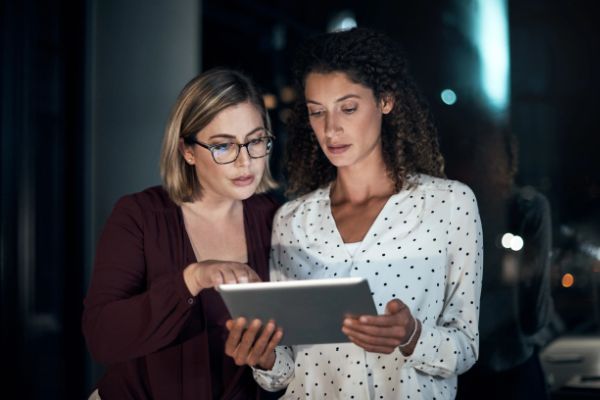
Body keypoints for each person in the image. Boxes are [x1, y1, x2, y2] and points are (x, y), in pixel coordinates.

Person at [225, 27, 483, 399]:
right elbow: (282, 372)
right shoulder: (293, 220)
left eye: (348, 108)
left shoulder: (449, 205)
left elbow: (466, 346)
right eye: (317, 112)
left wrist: (412, 336)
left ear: (386, 101)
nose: (331, 129)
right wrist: (262, 357)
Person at [82, 68, 281, 399]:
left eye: (255, 141)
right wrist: (191, 280)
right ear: (187, 151)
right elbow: (101, 338)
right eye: (223, 146)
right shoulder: (139, 215)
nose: (245, 162)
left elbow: (289, 354)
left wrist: (268, 359)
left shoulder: (275, 219)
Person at [437, 104, 554, 400]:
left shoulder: (442, 214)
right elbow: (535, 318)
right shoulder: (527, 209)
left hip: (457, 375)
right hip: (512, 369)